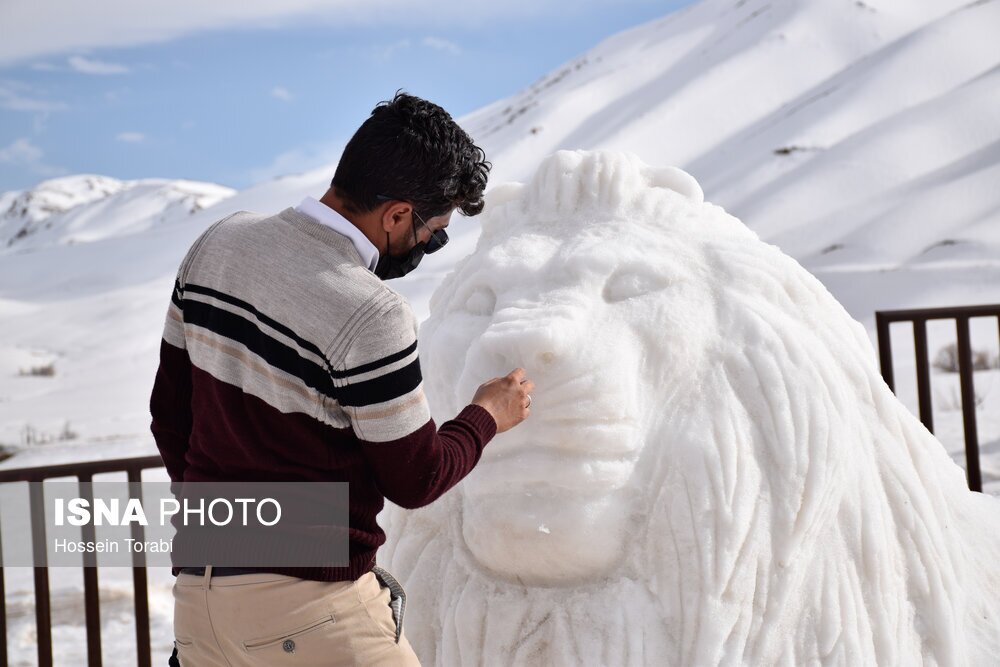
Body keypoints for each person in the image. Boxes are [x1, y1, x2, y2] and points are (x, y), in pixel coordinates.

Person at [150, 90, 534, 666]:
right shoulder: (370, 311)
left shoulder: (217, 243)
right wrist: (486, 417)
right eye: (435, 229)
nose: (429, 244)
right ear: (397, 214)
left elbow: (170, 416)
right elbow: (416, 477)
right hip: (311, 617)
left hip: (201, 607)